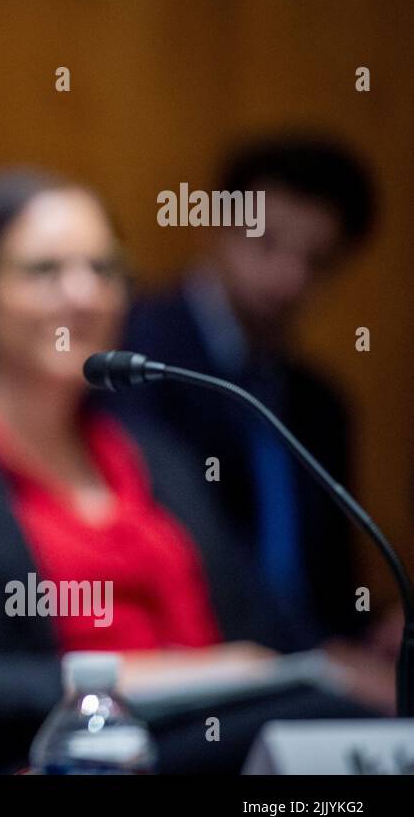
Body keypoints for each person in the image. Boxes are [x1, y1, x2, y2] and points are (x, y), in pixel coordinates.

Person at [0, 170, 380, 773]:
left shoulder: (156, 457)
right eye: (44, 271)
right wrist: (158, 679)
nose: (84, 295)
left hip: (222, 741)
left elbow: (261, 637)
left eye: (104, 270)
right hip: (60, 753)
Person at [117, 136, 384, 651]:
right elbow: (181, 536)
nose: (289, 278)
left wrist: (370, 637)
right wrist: (318, 655)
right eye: (266, 243)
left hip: (309, 666)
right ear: (215, 229)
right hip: (194, 660)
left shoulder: (321, 402)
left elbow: (331, 580)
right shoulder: (138, 355)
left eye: (317, 260)